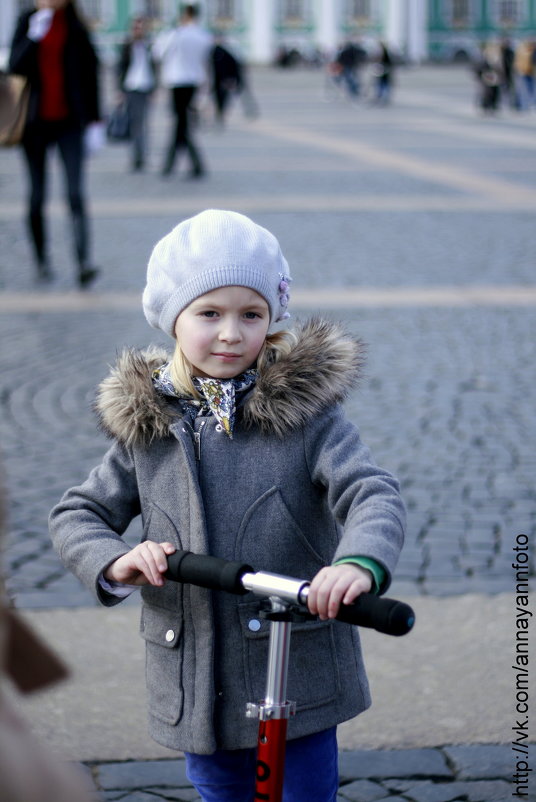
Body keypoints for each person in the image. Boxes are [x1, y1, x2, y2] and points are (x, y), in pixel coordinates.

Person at [49, 209, 406, 802]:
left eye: (251, 314)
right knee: (219, 791)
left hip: (296, 671)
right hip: (198, 680)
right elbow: (78, 515)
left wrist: (356, 563)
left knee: (304, 791)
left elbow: (371, 490)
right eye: (208, 314)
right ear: (173, 321)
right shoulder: (151, 425)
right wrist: (115, 562)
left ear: (273, 318)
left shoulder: (308, 418)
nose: (231, 334)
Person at [8, 0, 102, 287]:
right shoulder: (28, 22)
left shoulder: (75, 26)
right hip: (34, 124)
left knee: (75, 193)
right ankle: (41, 260)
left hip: (69, 123)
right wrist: (33, 37)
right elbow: (14, 66)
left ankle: (83, 260)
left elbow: (90, 75)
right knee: (37, 196)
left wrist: (95, 122)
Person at [153, 4, 212, 178]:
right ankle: (187, 165)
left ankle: (174, 164)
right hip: (194, 82)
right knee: (183, 123)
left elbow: (158, 54)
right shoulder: (203, 35)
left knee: (181, 124)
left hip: (176, 81)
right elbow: (206, 60)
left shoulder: (174, 34)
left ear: (184, 15)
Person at [117, 15, 157, 172]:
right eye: (136, 27)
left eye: (141, 27)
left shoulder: (149, 45)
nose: (138, 30)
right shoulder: (127, 46)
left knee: (143, 124)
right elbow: (120, 68)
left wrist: (155, 88)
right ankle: (136, 157)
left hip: (145, 87)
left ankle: (142, 155)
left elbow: (154, 67)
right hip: (131, 87)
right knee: (134, 124)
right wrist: (119, 90)